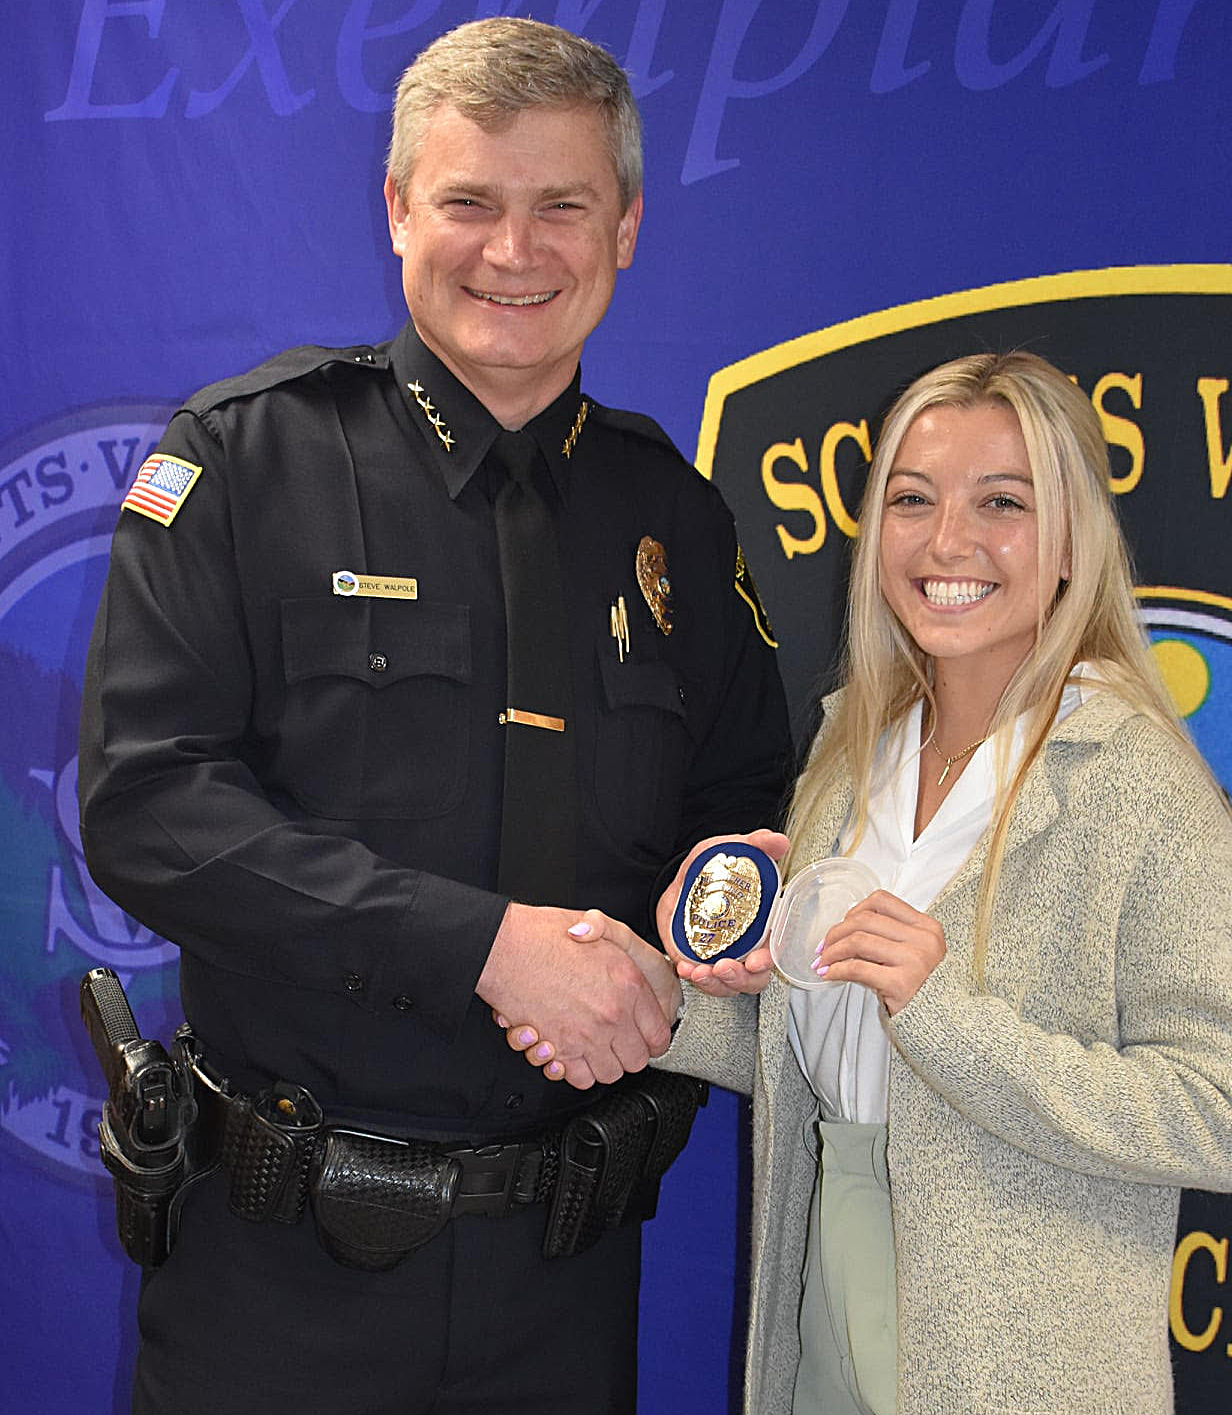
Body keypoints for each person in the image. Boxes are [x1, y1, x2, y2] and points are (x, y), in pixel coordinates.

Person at [77, 17, 790, 1415]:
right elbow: (150, 807)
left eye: (560, 206)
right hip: (277, 1276)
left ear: (627, 226)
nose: (512, 252)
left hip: (566, 1279)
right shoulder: (243, 458)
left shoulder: (675, 520)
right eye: (467, 200)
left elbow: (747, 810)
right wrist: (486, 949)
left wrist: (688, 948)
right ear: (398, 208)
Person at [516, 350, 1232, 1413]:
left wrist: (943, 1013)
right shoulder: (851, 752)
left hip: (1024, 1362)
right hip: (828, 1265)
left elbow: (1224, 1119)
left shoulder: (1137, 781)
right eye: (912, 499)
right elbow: (828, 1048)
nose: (948, 540)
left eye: (1001, 502)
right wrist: (651, 997)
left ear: (1069, 542)